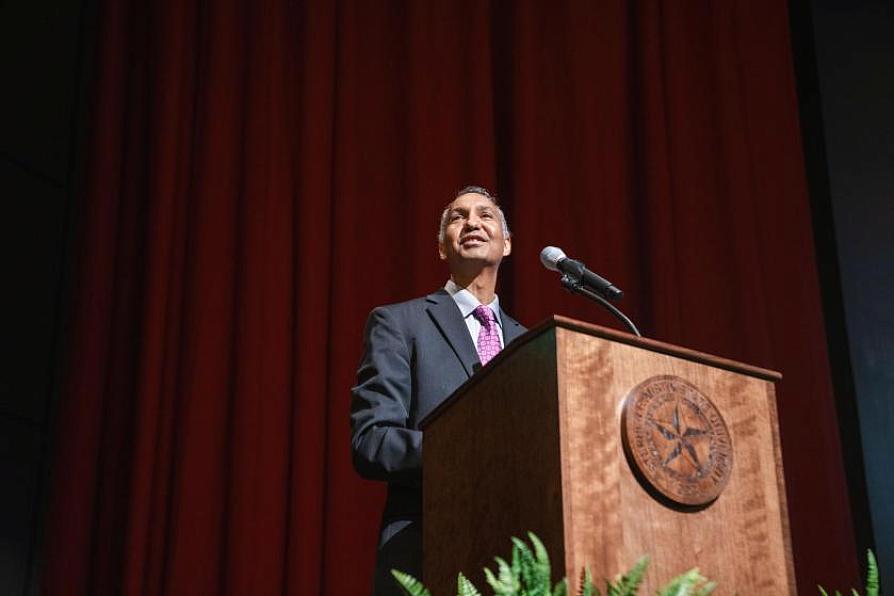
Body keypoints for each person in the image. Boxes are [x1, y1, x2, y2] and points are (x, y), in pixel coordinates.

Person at [350, 186, 527, 595]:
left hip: (518, 561)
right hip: (428, 553)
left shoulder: (530, 343)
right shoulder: (400, 324)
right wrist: (464, 453)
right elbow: (372, 440)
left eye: (486, 215)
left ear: (508, 244)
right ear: (442, 249)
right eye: (457, 217)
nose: (472, 223)